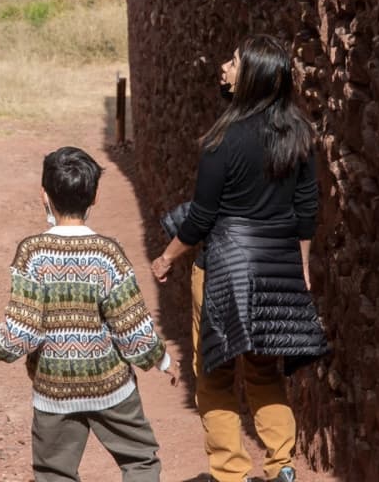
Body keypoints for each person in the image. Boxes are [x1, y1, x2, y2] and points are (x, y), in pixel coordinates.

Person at [0, 146, 179, 482]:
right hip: (111, 387)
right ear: (94, 198)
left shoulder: (32, 253)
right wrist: (162, 360)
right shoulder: (108, 253)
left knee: (54, 472)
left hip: (53, 391)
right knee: (140, 461)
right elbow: (131, 326)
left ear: (43, 195)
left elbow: (22, 333)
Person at [150, 35, 328, 482]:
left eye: (232, 62)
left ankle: (230, 472)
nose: (223, 67)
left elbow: (203, 217)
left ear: (251, 76)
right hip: (277, 264)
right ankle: (282, 464)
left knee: (213, 372)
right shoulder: (300, 134)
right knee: (266, 370)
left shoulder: (222, 140)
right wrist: (302, 261)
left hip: (226, 267)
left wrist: (168, 257)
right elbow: (306, 208)